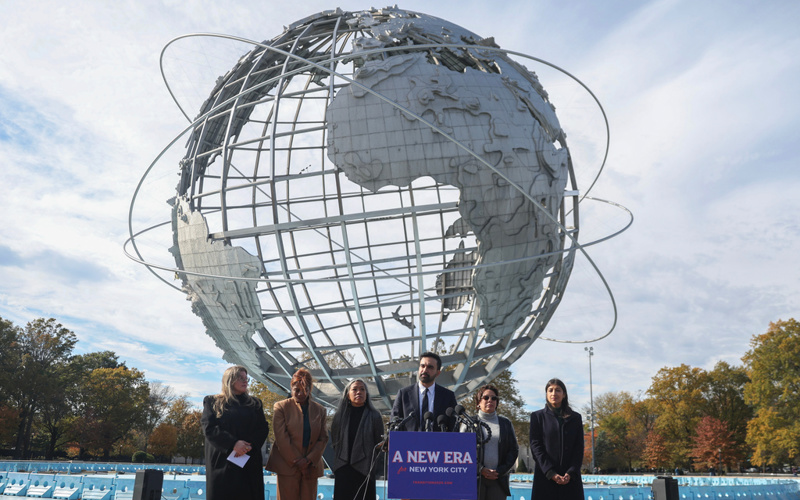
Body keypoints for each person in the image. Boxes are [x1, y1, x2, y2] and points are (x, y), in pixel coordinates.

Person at [201, 365, 269, 500]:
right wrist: (233, 444)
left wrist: (248, 447)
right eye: (240, 378)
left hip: (249, 462)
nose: (245, 381)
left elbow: (263, 428)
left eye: (246, 378)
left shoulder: (255, 404)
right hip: (222, 463)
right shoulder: (213, 401)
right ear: (230, 380)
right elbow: (209, 428)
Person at [265, 368, 329, 500]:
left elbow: (323, 438)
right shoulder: (281, 407)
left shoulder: (320, 410)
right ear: (291, 388)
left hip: (311, 466)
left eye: (304, 390)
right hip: (287, 466)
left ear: (310, 389)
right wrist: (298, 461)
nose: (300, 393)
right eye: (297, 390)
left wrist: (308, 460)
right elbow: (281, 438)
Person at [460, 384, 519, 500]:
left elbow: (513, 450)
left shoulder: (506, 423)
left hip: (498, 479)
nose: (490, 400)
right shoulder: (468, 423)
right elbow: (461, 451)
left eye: (494, 398)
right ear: (478, 402)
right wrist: (480, 469)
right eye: (486, 397)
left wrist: (500, 471)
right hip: (474, 480)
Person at [529, 378, 584, 500]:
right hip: (545, 477)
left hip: (570, 479)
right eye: (550, 390)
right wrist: (551, 473)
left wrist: (571, 472)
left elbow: (579, 448)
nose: (554, 393)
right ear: (546, 394)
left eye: (558, 390)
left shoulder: (575, 418)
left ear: (564, 394)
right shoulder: (537, 417)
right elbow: (536, 447)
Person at [331, 379, 385, 500]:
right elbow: (335, 442)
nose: (358, 392)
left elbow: (379, 444)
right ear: (347, 394)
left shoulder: (375, 415)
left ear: (366, 394)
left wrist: (367, 460)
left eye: (362, 389)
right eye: (354, 389)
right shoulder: (339, 416)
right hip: (343, 469)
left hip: (365, 471)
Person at [391, 351, 457, 431]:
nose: (425, 370)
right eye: (422, 366)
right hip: (409, 442)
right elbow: (394, 425)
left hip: (438, 442)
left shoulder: (448, 396)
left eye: (430, 367)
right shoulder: (403, 394)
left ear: (438, 373)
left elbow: (453, 428)